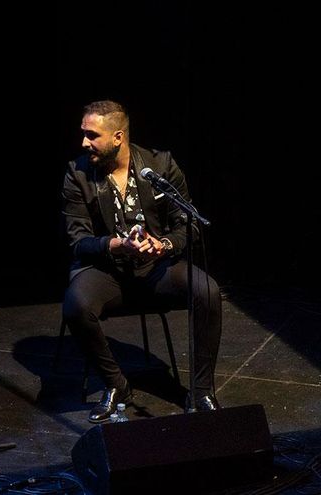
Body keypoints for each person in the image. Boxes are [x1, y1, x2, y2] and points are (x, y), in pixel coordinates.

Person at [61, 100, 222, 422]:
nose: (84, 142)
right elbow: (79, 242)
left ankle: (202, 389)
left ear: (118, 137)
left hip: (157, 268)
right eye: (84, 134)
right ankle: (116, 384)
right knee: (76, 305)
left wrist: (161, 245)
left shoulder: (159, 165)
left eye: (92, 135)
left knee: (207, 291)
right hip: (108, 271)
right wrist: (118, 244)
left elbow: (186, 223)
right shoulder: (77, 174)